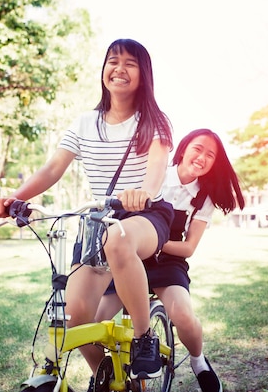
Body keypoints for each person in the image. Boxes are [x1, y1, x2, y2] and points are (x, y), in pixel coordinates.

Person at [0, 39, 174, 380]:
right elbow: (52, 170)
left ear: (144, 74)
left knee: (118, 241)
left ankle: (144, 336)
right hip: (98, 220)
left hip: (144, 216)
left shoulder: (155, 122)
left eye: (129, 63)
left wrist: (142, 193)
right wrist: (12, 198)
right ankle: (104, 378)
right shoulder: (85, 123)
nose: (119, 68)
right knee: (73, 321)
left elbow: (156, 172)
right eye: (112, 61)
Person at [87, 128, 245, 392]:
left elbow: (189, 247)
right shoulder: (153, 174)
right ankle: (107, 376)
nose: (202, 157)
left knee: (183, 314)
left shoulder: (203, 198)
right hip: (129, 255)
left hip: (167, 262)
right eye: (198, 148)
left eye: (210, 155)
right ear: (183, 149)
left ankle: (198, 362)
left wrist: (156, 243)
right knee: (94, 323)